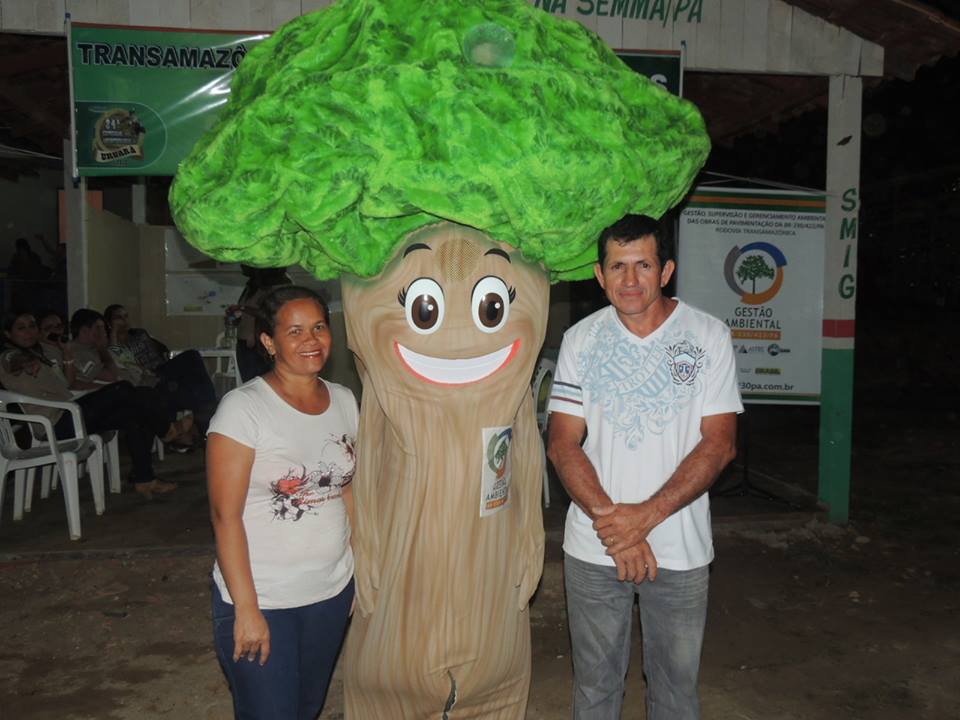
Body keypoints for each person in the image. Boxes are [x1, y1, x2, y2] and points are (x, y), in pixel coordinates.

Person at [547, 214, 742, 720]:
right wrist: (619, 528)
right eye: (618, 267)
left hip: (680, 548)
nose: (630, 279)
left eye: (643, 265)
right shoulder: (581, 340)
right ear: (599, 274)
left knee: (676, 693)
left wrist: (644, 518)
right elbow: (563, 444)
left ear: (666, 271)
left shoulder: (708, 336)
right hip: (595, 547)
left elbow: (720, 444)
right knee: (595, 689)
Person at [206, 286, 357, 718]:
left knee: (307, 708)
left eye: (319, 327)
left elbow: (348, 490)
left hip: (331, 592)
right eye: (295, 331)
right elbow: (225, 516)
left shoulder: (344, 400)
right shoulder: (243, 409)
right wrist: (247, 610)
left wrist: (360, 570)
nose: (312, 340)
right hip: (265, 599)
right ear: (269, 342)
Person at [0, 311, 191, 499]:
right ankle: (167, 430)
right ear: (8, 334)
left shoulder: (42, 354)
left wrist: (66, 352)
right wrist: (25, 362)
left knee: (135, 412)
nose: (29, 332)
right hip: (54, 424)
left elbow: (67, 383)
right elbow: (13, 361)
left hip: (69, 412)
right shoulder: (8, 356)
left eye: (32, 326)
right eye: (21, 328)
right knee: (123, 388)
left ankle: (145, 479)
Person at [103, 304, 217, 434]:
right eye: (119, 317)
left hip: (162, 368)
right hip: (149, 376)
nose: (124, 320)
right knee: (192, 356)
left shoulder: (139, 334)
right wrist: (114, 331)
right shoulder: (114, 346)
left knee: (193, 376)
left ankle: (205, 416)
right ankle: (208, 408)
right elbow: (115, 353)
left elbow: (161, 348)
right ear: (110, 323)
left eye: (126, 316)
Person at [227, 265, 292, 382]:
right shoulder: (252, 287)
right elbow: (248, 313)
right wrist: (236, 317)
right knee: (249, 382)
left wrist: (242, 308)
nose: (242, 266)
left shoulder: (277, 286)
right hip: (244, 341)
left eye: (246, 263)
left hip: (260, 342)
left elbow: (271, 313)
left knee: (264, 382)